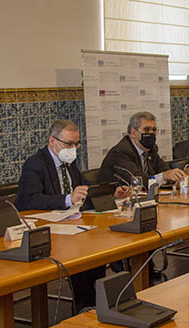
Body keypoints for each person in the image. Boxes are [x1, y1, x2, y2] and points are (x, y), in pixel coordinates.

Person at [14, 119, 129, 313]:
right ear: (52, 141)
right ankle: (85, 304)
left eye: (77, 144)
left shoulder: (69, 163)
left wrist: (112, 194)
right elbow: (31, 200)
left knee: (96, 248)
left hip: (70, 225)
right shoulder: (35, 164)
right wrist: (68, 199)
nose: (73, 148)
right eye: (69, 144)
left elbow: (85, 190)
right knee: (80, 254)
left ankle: (94, 301)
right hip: (44, 229)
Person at [97, 111, 185, 187]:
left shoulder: (151, 149)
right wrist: (164, 176)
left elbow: (163, 170)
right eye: (146, 130)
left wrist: (173, 175)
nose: (151, 133)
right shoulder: (120, 152)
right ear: (133, 133)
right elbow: (137, 181)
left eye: (154, 130)